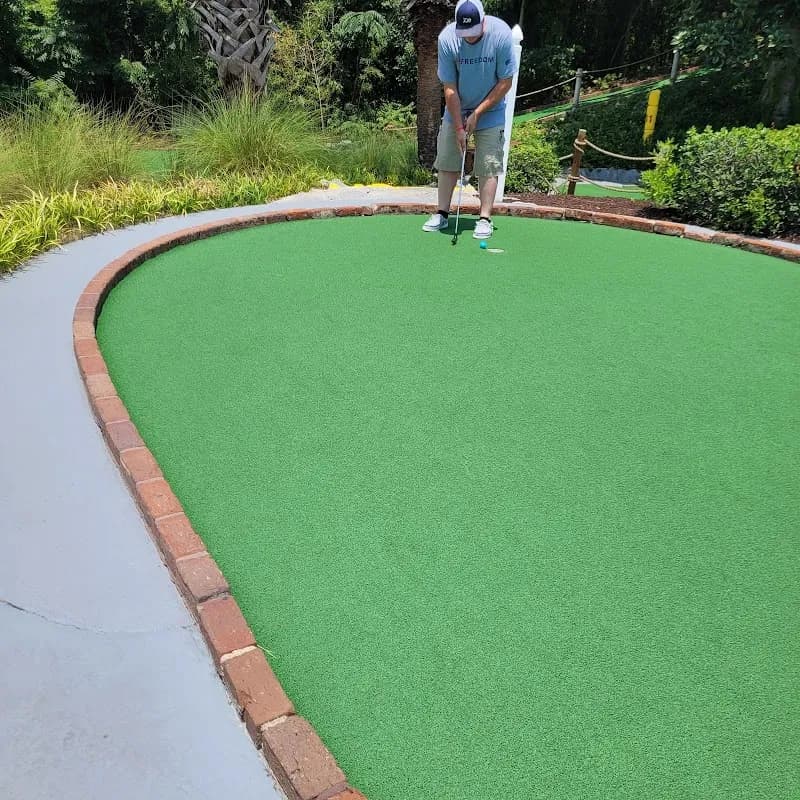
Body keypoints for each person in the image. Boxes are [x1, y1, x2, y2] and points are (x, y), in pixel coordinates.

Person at [422, 0, 514, 239]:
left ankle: (484, 218)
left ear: (483, 21)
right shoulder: (447, 39)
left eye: (474, 31)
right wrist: (459, 126)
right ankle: (442, 214)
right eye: (465, 32)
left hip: (491, 110)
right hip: (457, 108)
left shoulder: (501, 35)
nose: (470, 37)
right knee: (448, 158)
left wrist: (478, 113)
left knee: (488, 163)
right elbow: (449, 88)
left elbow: (506, 82)